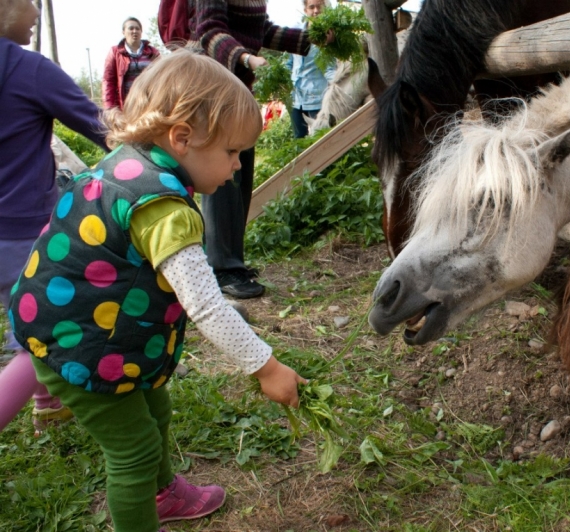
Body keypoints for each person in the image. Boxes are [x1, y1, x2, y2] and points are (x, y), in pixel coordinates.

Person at [8, 50, 307, 532]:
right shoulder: (164, 209)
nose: (236, 166)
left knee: (155, 405)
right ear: (183, 138)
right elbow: (206, 304)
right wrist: (266, 367)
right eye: (232, 152)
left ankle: (163, 493)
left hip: (77, 324)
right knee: (134, 450)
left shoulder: (129, 163)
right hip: (79, 344)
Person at [0, 0, 107, 435]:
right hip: (21, 231)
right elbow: (100, 125)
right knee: (42, 332)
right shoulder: (28, 69)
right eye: (29, 3)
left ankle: (47, 403)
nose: (36, 12)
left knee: (20, 316)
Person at [190, 0, 334, 299]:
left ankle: (233, 260)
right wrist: (246, 58)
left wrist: (311, 38)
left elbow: (263, 30)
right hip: (215, 88)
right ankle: (222, 268)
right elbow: (209, 31)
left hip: (238, 88)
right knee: (222, 177)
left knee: (240, 174)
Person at [286, 0, 336, 138]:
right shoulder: (296, 32)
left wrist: (327, 47)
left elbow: (330, 69)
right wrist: (284, 82)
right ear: (305, 10)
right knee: (298, 140)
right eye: (311, 7)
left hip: (317, 99)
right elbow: (289, 63)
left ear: (325, 9)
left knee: (319, 140)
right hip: (296, 98)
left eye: (319, 7)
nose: (315, 11)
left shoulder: (329, 35)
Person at [102, 17, 160, 110]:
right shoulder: (115, 52)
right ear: (123, 32)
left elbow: (161, 78)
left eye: (138, 29)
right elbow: (108, 81)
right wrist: (109, 108)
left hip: (149, 105)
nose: (134, 31)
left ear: (141, 32)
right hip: (126, 106)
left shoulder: (153, 52)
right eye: (131, 28)